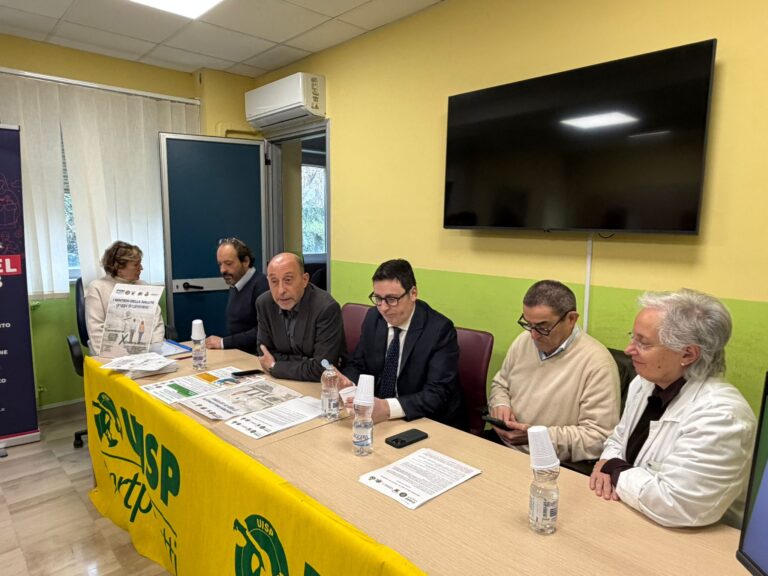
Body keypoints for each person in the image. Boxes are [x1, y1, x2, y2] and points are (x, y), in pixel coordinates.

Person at [589, 289, 756, 527]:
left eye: (643, 343)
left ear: (688, 353)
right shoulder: (644, 383)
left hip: (697, 541)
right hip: (630, 513)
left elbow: (675, 504)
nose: (628, 350)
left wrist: (613, 468)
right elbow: (617, 441)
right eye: (632, 337)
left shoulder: (722, 417)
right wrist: (610, 467)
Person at [487, 280, 620, 463]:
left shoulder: (597, 363)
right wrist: (500, 405)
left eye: (542, 327)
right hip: (504, 447)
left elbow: (599, 438)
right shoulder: (523, 341)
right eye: (528, 324)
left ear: (571, 319)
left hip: (550, 462)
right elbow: (501, 384)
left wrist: (538, 437)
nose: (533, 335)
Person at [341, 259, 465, 428]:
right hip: (378, 416)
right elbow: (358, 365)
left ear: (413, 293)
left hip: (425, 420)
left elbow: (437, 394)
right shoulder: (373, 318)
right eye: (378, 298)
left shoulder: (439, 330)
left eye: (392, 299)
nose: (383, 308)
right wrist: (346, 383)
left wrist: (387, 408)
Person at [256, 252, 345, 381]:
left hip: (320, 387)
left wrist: (275, 365)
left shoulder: (326, 308)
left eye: (288, 280)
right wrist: (307, 361)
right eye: (274, 281)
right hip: (282, 382)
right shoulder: (264, 303)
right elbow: (264, 353)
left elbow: (323, 367)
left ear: (304, 280)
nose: (281, 290)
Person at [85, 241, 165, 355]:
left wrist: (156, 349)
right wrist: (116, 355)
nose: (141, 268)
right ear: (118, 267)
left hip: (147, 353)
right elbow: (96, 329)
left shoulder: (143, 286)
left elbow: (157, 323)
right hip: (108, 354)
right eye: (136, 265)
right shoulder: (97, 287)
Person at [205, 238, 268, 353]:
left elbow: (264, 331)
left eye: (228, 263)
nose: (222, 270)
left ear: (246, 261)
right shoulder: (236, 282)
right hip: (237, 352)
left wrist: (224, 342)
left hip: (255, 356)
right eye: (220, 264)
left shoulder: (262, 286)